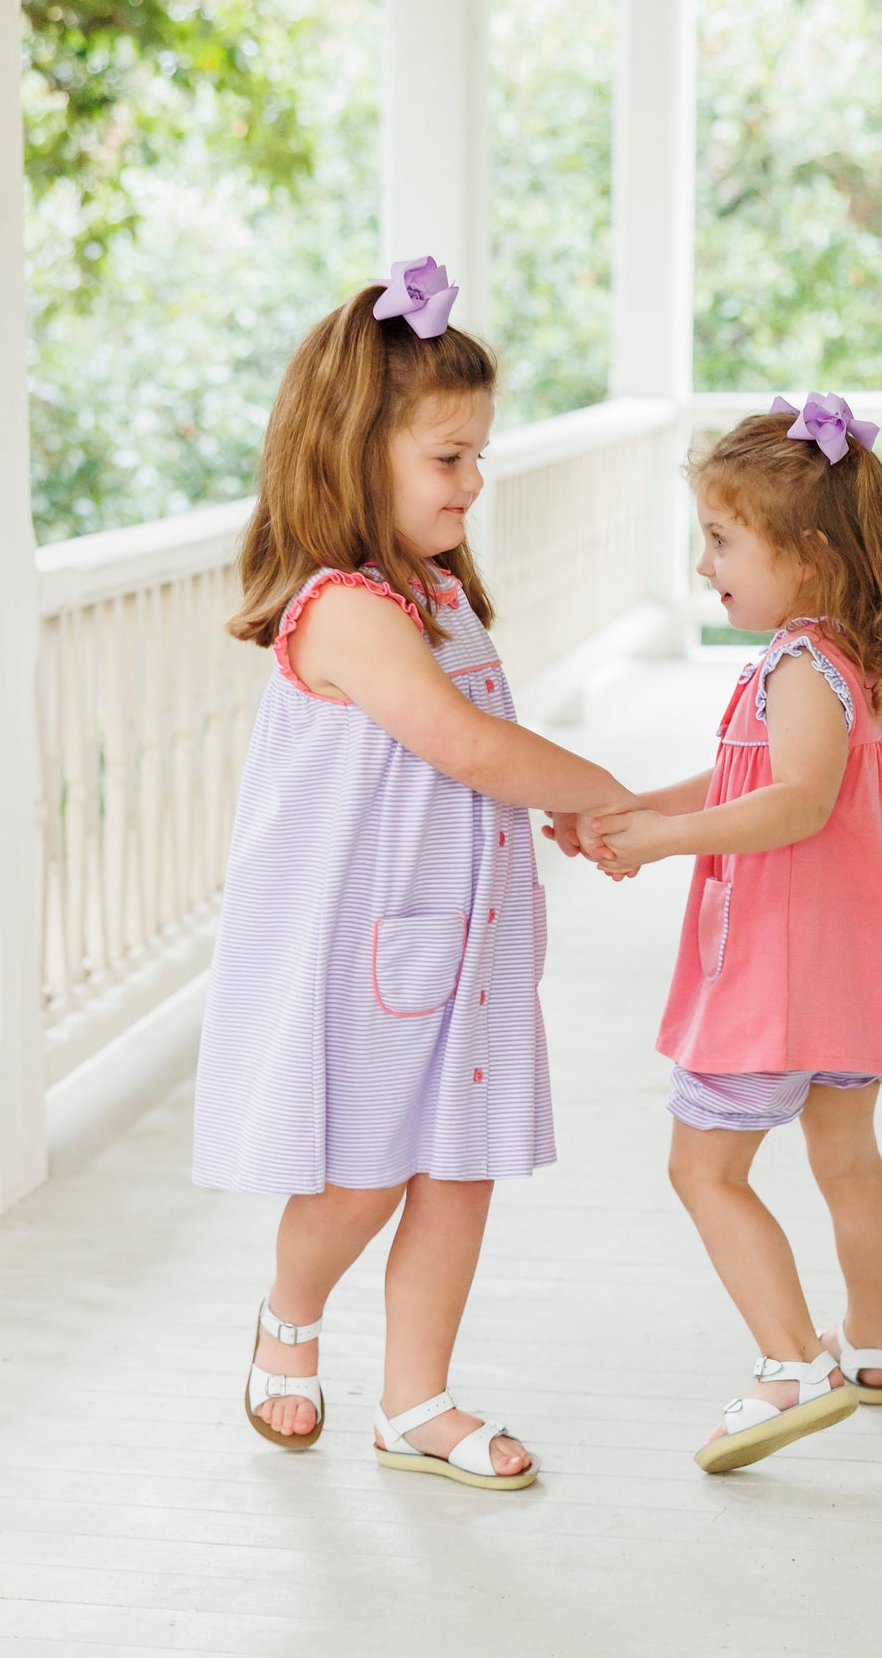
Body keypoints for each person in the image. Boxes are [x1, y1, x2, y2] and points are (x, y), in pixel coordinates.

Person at [193, 259, 639, 1491]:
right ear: (354, 452)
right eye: (449, 458)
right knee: (358, 1181)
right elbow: (469, 746)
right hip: (370, 951)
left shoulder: (436, 594)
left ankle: (415, 1399)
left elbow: (477, 766)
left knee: (457, 1174)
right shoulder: (342, 610)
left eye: (478, 455)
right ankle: (290, 1318)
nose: (473, 482)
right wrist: (598, 791)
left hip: (469, 937)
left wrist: (557, 812)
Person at [587, 395, 882, 1473]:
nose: (705, 563)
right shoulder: (855, 658)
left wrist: (664, 842)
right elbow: (752, 774)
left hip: (776, 984)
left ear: (804, 555)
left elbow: (792, 801)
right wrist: (643, 807)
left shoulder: (798, 665)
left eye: (719, 540)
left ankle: (789, 1363)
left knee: (703, 1171)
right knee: (846, 1159)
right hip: (851, 977)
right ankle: (871, 1346)